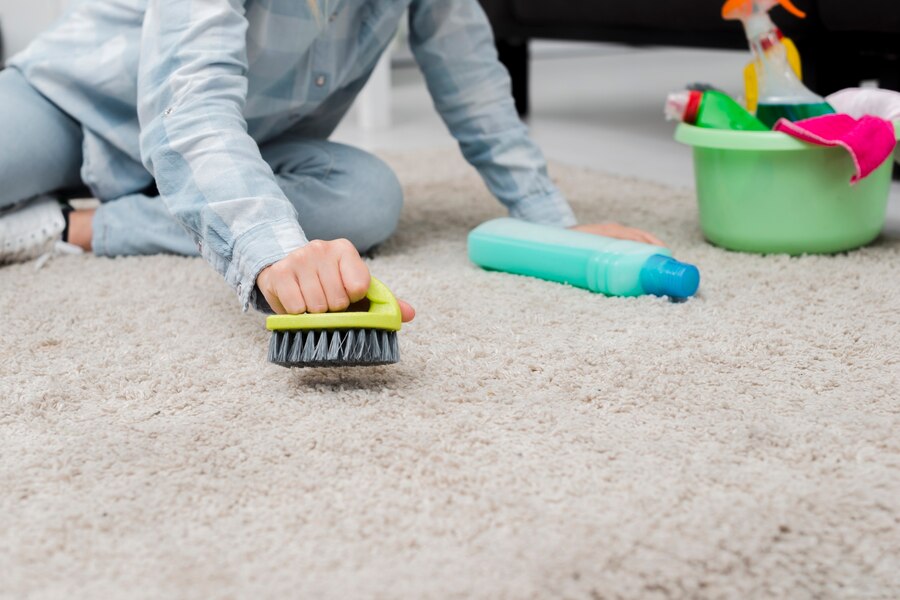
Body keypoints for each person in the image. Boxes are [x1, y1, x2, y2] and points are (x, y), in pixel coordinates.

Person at [0, 0, 663, 322]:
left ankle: (67, 228)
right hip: (78, 105)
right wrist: (273, 253)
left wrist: (549, 218)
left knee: (365, 198)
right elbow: (189, 112)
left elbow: (472, 78)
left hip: (247, 145)